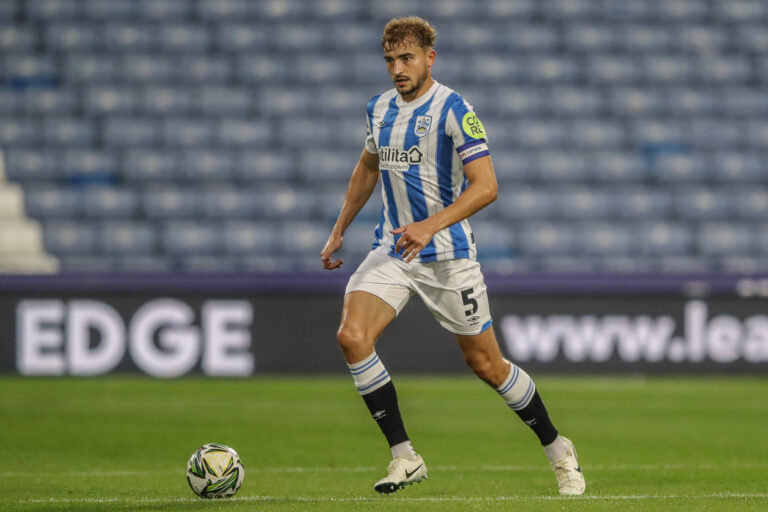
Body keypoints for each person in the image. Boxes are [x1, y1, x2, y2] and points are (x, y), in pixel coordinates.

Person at [320, 16, 585, 496]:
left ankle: (558, 449)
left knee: (487, 365)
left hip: (448, 257)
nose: (397, 69)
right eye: (390, 60)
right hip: (394, 250)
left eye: (407, 58)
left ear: (429, 58)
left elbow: (487, 186)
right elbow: (367, 165)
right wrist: (339, 228)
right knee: (351, 336)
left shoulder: (453, 108)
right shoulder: (378, 109)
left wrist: (429, 225)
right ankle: (404, 456)